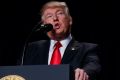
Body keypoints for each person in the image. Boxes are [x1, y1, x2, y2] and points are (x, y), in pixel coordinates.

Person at [21, 1, 101, 80]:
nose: (55, 18)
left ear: (70, 20)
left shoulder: (87, 48)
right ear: (44, 25)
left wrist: (84, 72)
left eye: (60, 13)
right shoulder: (31, 48)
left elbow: (93, 66)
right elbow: (19, 73)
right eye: (49, 16)